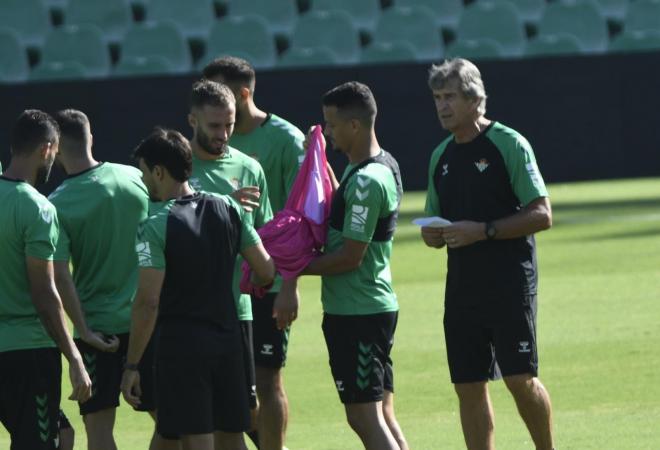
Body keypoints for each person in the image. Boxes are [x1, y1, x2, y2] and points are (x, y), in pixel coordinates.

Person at [420, 58, 554, 450]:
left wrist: (484, 231)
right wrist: (434, 233)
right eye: (437, 98)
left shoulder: (508, 144)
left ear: (475, 99)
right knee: (468, 385)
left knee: (519, 379)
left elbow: (542, 214)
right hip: (462, 287)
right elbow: (436, 216)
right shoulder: (440, 155)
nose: (442, 106)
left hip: (509, 283)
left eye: (450, 97)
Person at [120, 128, 275, 450]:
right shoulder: (229, 208)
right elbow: (265, 270)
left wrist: (132, 365)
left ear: (159, 171)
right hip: (230, 340)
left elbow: (148, 302)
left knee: (196, 437)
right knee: (232, 435)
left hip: (181, 347)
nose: (144, 179)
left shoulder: (154, 226)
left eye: (145, 172)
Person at [284, 82, 409, 450]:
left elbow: (350, 256)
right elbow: (343, 203)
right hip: (370, 306)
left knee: (363, 417)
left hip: (357, 311)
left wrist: (292, 266)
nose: (327, 131)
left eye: (332, 124)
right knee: (382, 414)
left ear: (354, 126)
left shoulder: (368, 182)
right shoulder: (376, 167)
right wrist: (318, 156)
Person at [202, 56, 305, 450]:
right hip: (217, 286)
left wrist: (290, 283)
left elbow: (302, 221)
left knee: (267, 378)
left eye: (222, 93)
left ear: (244, 93)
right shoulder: (211, 140)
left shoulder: (285, 140)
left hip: (267, 281)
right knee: (231, 386)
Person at [48, 109, 161, 450]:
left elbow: (59, 276)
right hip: (148, 321)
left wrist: (82, 331)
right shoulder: (135, 179)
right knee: (172, 423)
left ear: (53, 149)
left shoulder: (56, 205)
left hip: (97, 330)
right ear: (91, 138)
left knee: (98, 432)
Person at [185, 79, 274, 447]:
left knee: (235, 420)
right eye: (214, 127)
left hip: (237, 311)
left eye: (230, 125)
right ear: (192, 120)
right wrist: (225, 205)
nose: (224, 135)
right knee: (185, 423)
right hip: (186, 314)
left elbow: (265, 236)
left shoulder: (249, 168)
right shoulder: (175, 167)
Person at [0, 109, 92, 449]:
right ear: (48, 149)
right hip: (28, 354)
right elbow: (45, 293)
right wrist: (75, 356)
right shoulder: (37, 208)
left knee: (62, 433)